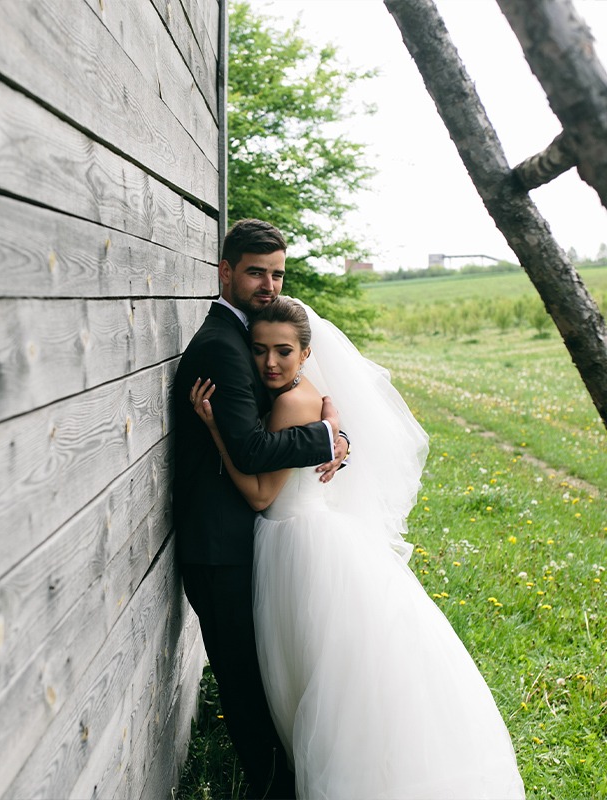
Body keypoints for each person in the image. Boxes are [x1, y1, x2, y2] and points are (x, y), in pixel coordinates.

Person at [189, 297, 525, 800]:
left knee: (326, 676)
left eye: (283, 351)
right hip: (303, 535)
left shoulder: (290, 403)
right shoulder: (309, 395)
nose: (269, 363)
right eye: (259, 350)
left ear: (306, 354)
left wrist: (216, 428)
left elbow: (260, 495)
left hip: (299, 542)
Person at [173, 220, 349, 799]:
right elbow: (250, 449)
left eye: (277, 273)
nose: (269, 285)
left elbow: (287, 400)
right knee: (245, 683)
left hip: (242, 535)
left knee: (262, 673)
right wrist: (324, 437)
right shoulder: (224, 345)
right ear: (225, 271)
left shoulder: (251, 334)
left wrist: (333, 430)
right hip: (219, 543)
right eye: (256, 272)